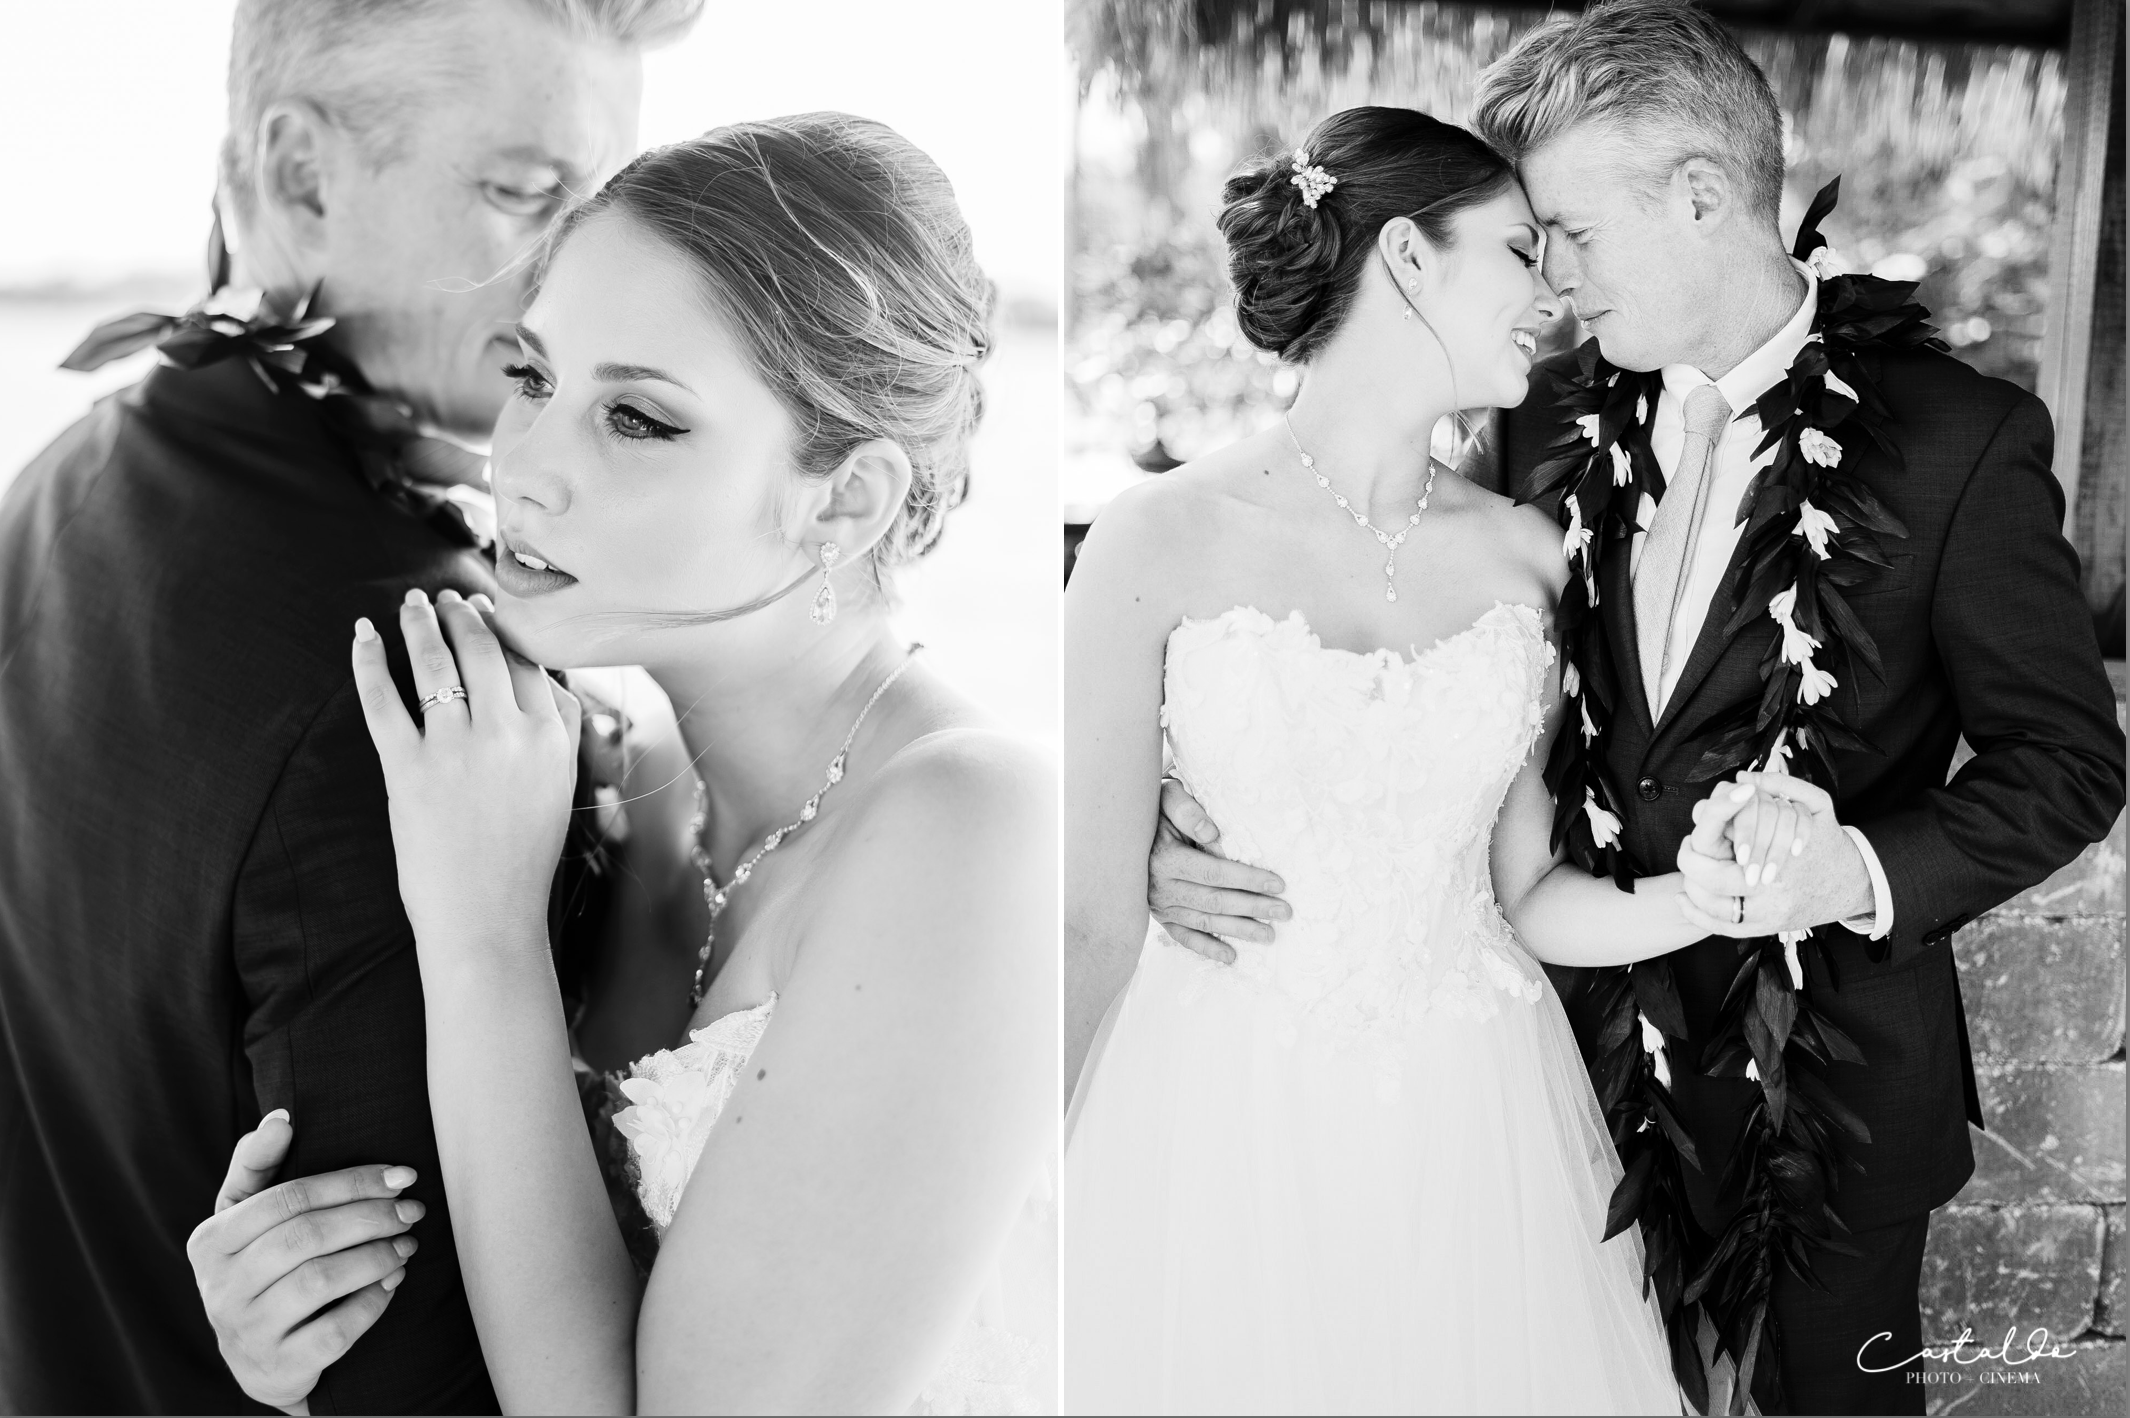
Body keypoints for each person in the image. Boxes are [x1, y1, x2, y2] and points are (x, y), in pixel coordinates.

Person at [1138, 4, 2127, 1413]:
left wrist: (1849, 863)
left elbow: (2065, 763)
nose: (1545, 280)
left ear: (1703, 193)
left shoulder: (1953, 440)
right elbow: (1423, 695)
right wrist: (1177, 827)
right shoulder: (1540, 424)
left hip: (1833, 1108)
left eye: (1568, 235)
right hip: (1572, 1085)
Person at [186, 115, 1060, 1416]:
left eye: (637, 419)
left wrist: (480, 931)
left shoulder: (974, 824)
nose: (524, 465)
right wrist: (306, 1327)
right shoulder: (626, 777)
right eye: (532, 376)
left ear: (847, 500)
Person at [0, 1, 698, 1411]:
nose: (585, 267)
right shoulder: (416, 689)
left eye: (603, 199)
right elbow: (411, 1371)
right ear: (306, 177)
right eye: (523, 191)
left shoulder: (65, 479)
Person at [1058, 103, 1800, 1414]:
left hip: (1475, 1132)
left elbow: (1523, 894)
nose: (1554, 297)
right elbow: (1083, 913)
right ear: (1406, 255)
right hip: (1216, 1120)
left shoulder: (1530, 555)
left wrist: (1706, 897)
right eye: (1520, 254)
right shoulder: (1153, 539)